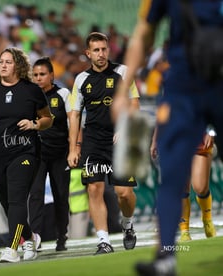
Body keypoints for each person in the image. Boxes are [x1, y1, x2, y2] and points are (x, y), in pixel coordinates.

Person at [111, 1, 223, 275]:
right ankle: (165, 257)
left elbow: (143, 34)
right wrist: (124, 89)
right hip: (184, 88)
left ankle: (165, 258)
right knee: (172, 175)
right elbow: (143, 33)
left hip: (194, 85)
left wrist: (124, 89)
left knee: (174, 178)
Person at [0, 47, 53, 263]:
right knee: (8, 204)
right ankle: (31, 237)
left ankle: (13, 248)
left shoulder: (32, 90)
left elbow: (47, 119)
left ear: (18, 66)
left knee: (16, 200)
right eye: (1, 62)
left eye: (8, 62)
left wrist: (34, 124)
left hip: (25, 152)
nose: (3, 65)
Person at [67, 32, 140, 255]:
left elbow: (134, 103)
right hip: (93, 142)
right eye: (96, 50)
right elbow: (75, 115)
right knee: (94, 188)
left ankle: (127, 225)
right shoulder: (80, 80)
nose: (101, 54)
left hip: (119, 140)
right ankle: (103, 240)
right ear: (88, 53)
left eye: (104, 49)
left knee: (123, 193)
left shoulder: (122, 72)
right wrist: (73, 148)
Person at [29, 56, 71, 251]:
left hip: (60, 153)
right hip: (37, 152)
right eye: (35, 75)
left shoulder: (62, 94)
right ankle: (35, 237)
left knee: (60, 195)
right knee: (35, 194)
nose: (38, 78)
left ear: (52, 75)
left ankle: (61, 235)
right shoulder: (29, 96)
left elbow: (73, 121)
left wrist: (74, 148)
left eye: (42, 74)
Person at [151, 128, 216, 242]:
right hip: (175, 139)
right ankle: (184, 230)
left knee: (200, 188)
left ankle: (207, 219)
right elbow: (162, 113)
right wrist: (155, 140)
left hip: (200, 136)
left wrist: (211, 132)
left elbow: (213, 110)